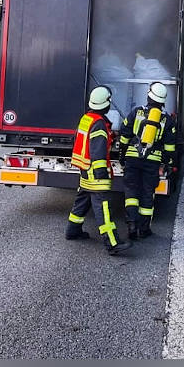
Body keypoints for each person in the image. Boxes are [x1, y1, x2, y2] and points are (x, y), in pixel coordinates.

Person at [67, 85, 131, 255]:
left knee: (82, 200)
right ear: (106, 103)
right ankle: (112, 243)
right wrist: (101, 172)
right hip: (96, 172)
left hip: (84, 168)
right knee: (103, 207)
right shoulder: (99, 124)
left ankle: (73, 230)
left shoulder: (87, 118)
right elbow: (98, 150)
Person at [117, 82, 176, 240]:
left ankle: (131, 224)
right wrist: (167, 163)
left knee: (131, 191)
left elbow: (124, 135)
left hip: (132, 158)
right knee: (147, 193)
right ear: (163, 101)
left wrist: (122, 154)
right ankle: (144, 229)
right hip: (152, 161)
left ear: (149, 96)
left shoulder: (137, 112)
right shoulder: (167, 120)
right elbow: (170, 147)